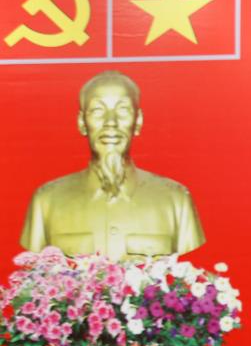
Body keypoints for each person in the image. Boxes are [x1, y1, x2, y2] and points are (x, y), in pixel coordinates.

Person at [19, 70, 205, 259]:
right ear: (82, 122)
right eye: (98, 110)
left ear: (138, 121)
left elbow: (189, 275)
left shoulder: (175, 200)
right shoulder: (47, 201)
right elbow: (35, 276)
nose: (111, 122)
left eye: (123, 110)